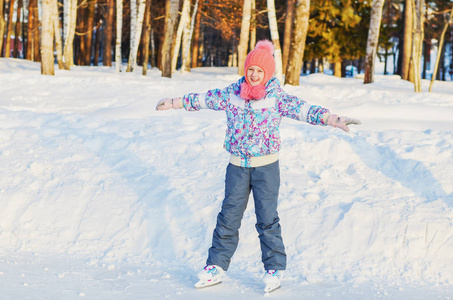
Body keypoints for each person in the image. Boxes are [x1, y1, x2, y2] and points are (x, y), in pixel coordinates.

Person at [156, 40, 360, 292]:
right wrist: (174, 102)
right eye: (250, 69)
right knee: (228, 216)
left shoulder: (276, 97)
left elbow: (304, 110)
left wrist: (332, 118)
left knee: (267, 218)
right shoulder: (232, 93)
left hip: (266, 168)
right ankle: (215, 267)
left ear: (268, 73)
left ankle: (274, 268)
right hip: (237, 166)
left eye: (259, 71)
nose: (253, 75)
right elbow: (204, 99)